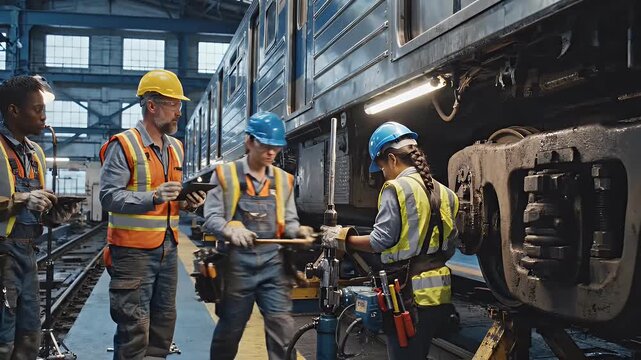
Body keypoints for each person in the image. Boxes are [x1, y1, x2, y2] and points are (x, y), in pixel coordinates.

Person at [99, 69, 206, 360]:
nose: (179, 112)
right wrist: (155, 196)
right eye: (174, 105)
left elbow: (171, 202)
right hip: (132, 253)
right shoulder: (124, 145)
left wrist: (188, 202)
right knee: (134, 329)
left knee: (163, 326)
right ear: (152, 106)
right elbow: (109, 196)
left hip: (167, 249)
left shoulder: (176, 148)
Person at [336, 121, 459, 359]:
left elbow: (380, 240)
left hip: (405, 296)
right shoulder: (447, 193)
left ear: (392, 159)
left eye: (381, 167)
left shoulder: (396, 188)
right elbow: (450, 247)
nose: (382, 174)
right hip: (439, 295)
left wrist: (345, 239)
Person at [202, 111, 314, 360]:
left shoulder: (283, 180)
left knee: (283, 331)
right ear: (249, 141)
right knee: (230, 330)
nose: (271, 152)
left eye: (275, 147)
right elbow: (211, 217)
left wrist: (298, 231)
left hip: (274, 267)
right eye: (265, 145)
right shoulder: (225, 175)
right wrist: (230, 229)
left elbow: (289, 219)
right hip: (237, 266)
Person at [0, 75, 77, 360]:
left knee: (29, 335)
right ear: (13, 111)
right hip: (2, 254)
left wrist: (54, 212)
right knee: (3, 339)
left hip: (27, 254)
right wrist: (20, 200)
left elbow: (36, 208)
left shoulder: (36, 154)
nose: (44, 117)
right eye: (37, 109)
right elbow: (20, 201)